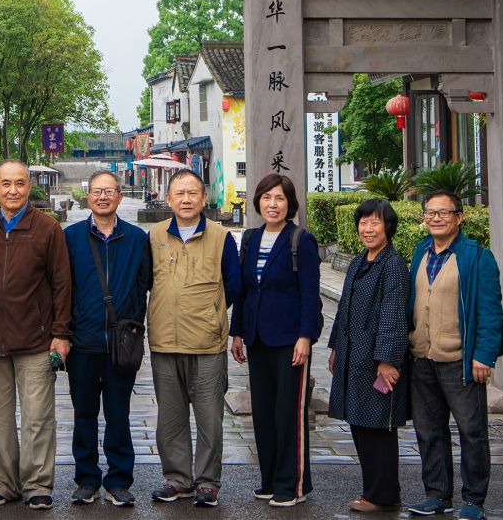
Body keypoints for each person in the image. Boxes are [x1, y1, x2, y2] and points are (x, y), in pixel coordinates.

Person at [0, 160, 72, 510]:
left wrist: (61, 333)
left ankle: (37, 484)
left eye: (19, 183)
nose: (13, 190)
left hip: (35, 341)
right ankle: (2, 483)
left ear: (29, 187)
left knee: (37, 418)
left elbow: (62, 284)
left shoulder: (47, 228)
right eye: (6, 183)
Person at [404, 192, 503, 520]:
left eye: (443, 213)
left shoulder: (477, 256)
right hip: (422, 358)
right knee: (428, 431)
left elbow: (490, 312)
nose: (435, 218)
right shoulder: (421, 251)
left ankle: (474, 499)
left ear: (459, 217)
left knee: (471, 431)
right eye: (430, 213)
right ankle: (437, 495)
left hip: (460, 361)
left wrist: (484, 356)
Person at [145, 168, 240, 508]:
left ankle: (208, 482)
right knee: (170, 419)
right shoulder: (154, 236)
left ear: (203, 197)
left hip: (206, 343)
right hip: (164, 341)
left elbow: (233, 286)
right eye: (179, 193)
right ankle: (177, 479)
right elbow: (146, 281)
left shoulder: (221, 237)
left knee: (210, 418)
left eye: (192, 193)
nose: (186, 199)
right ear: (168, 199)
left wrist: (208, 313)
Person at [230, 174, 324, 507]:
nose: (273, 204)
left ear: (290, 204)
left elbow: (310, 295)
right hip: (256, 338)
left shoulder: (301, 240)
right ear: (258, 201)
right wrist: (237, 332)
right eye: (267, 197)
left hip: (289, 340)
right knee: (264, 412)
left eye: (280, 198)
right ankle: (269, 479)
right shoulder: (251, 238)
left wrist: (305, 337)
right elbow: (243, 292)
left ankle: (292, 485)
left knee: (289, 413)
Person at [61, 170, 151, 506]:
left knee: (118, 412)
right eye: (97, 191)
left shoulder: (137, 238)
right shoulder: (71, 237)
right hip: (83, 342)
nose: (103, 197)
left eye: (109, 191)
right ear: (88, 197)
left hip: (120, 344)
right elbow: (62, 287)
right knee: (83, 412)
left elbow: (143, 285)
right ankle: (86, 478)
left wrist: (133, 325)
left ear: (119, 196)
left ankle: (119, 479)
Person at [328, 199, 411, 513]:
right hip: (354, 355)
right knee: (360, 423)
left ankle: (382, 495)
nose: (368, 229)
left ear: (388, 227)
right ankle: (376, 490)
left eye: (375, 222)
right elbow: (343, 309)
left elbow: (393, 314)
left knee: (378, 427)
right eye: (363, 223)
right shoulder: (359, 261)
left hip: (377, 361)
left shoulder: (393, 264)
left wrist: (387, 360)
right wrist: (335, 346)